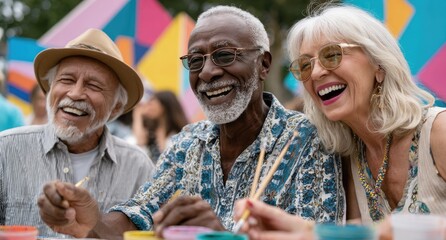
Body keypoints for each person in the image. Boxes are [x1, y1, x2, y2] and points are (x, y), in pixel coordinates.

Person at [37, 5, 344, 239]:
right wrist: (92, 222)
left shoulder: (306, 140)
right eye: (195, 61)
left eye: (224, 55)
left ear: (263, 64)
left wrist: (218, 235)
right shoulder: (189, 142)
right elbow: (140, 214)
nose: (208, 72)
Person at [234, 3, 446, 239]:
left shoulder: (439, 131)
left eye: (332, 55)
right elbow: (358, 234)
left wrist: (386, 231)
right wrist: (292, 227)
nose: (315, 73)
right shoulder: (348, 157)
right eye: (305, 65)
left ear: (379, 65)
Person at [0, 28, 155, 238]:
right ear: (50, 90)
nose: (75, 94)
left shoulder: (138, 167)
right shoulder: (6, 150)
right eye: (66, 80)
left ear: (116, 108)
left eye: (93, 85)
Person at [132, 90, 189, 162]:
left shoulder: (179, 134)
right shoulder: (151, 130)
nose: (148, 108)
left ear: (164, 106)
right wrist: (138, 115)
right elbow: (140, 141)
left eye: (151, 104)